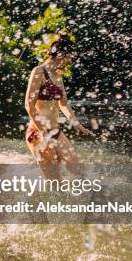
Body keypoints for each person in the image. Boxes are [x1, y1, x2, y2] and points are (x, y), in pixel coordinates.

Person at [24, 33, 94, 179]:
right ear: (61, 54)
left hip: (55, 131)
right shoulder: (38, 71)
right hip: (38, 132)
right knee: (55, 181)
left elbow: (64, 103)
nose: (71, 60)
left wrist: (76, 124)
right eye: (70, 56)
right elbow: (28, 105)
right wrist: (43, 133)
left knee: (78, 168)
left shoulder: (57, 75)